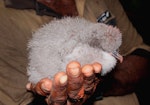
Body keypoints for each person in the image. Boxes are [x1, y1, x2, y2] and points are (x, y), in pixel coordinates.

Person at [0, 0, 150, 105]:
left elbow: (141, 53)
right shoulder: (4, 17)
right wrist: (67, 91)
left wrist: (96, 85)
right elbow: (19, 99)